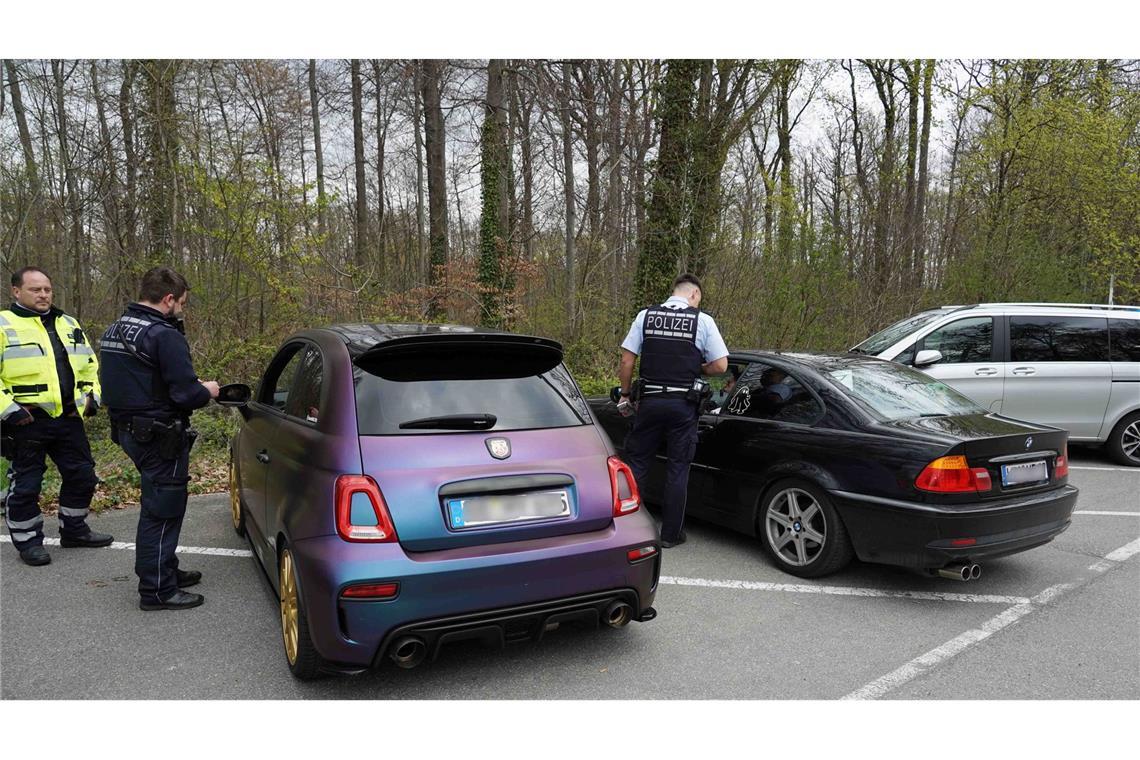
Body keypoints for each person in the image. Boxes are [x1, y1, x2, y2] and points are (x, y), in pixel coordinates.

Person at [99, 267, 219, 610]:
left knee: (157, 505)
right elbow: (185, 395)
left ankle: (165, 568)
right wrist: (207, 390)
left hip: (129, 431)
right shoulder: (163, 336)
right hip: (159, 435)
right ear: (168, 299)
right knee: (163, 511)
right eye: (181, 303)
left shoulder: (116, 328)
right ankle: (157, 590)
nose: (181, 310)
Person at [1, 267, 113, 565]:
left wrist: (92, 397)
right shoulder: (3, 324)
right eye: (35, 289)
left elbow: (90, 365)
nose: (43, 294)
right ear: (16, 291)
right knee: (26, 485)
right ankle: (28, 542)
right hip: (26, 421)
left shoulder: (68, 323)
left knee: (83, 476)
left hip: (68, 418)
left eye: (47, 289)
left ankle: (74, 531)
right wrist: (9, 411)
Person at [618, 273, 728, 548]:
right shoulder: (702, 320)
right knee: (678, 469)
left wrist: (626, 394)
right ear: (693, 295)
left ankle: (632, 531)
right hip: (683, 407)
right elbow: (721, 366)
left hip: (650, 402)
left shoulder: (646, 316)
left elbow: (626, 360)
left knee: (639, 464)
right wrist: (697, 367)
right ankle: (670, 535)